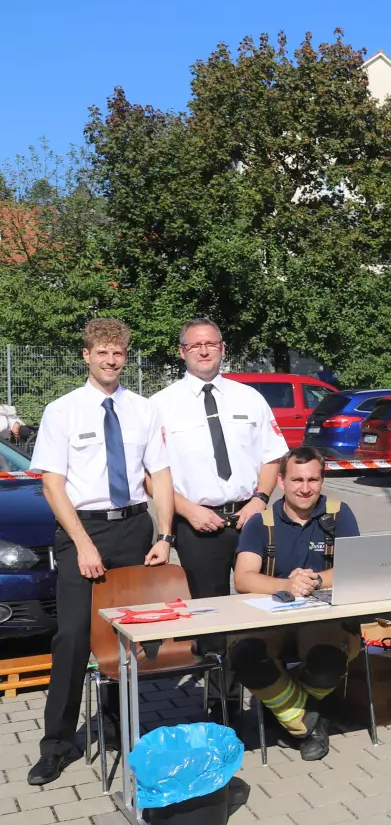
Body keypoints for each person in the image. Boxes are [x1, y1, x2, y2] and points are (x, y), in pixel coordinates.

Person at [28, 318, 176, 786]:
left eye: (118, 353)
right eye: (102, 352)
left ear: (125, 357)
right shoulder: (62, 411)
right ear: (86, 355)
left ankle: (119, 726)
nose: (111, 360)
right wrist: (83, 543)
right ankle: (56, 744)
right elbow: (52, 483)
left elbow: (162, 475)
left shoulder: (143, 411)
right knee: (72, 637)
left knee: (128, 637)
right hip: (82, 531)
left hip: (134, 528)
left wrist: (165, 536)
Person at [150, 318, 288, 717]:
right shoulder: (161, 405)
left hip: (250, 518)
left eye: (212, 343)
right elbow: (151, 475)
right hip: (196, 524)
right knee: (210, 617)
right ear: (182, 352)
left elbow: (271, 456)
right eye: (196, 345)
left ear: (223, 348)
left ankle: (271, 696)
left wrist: (260, 500)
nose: (205, 350)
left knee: (261, 608)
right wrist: (188, 510)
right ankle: (220, 706)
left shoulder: (249, 398)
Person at [229, 446, 360, 761]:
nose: (305, 488)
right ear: (282, 482)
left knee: (328, 660)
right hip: (271, 620)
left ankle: (284, 712)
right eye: (297, 480)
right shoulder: (260, 522)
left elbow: (357, 567)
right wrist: (286, 585)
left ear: (322, 480)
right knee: (245, 656)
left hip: (323, 620)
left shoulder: (339, 513)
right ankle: (309, 724)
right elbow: (243, 578)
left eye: (313, 480)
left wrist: (314, 580)